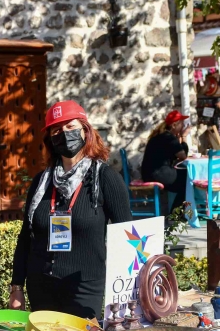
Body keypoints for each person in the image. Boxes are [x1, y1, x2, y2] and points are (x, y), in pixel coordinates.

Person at [8, 101, 132, 319]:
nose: (64, 134)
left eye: (70, 127)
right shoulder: (41, 182)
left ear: (85, 130)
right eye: (56, 130)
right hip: (41, 287)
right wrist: (16, 286)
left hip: (84, 288)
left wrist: (127, 292)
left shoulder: (105, 178)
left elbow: (128, 237)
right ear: (50, 139)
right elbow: (26, 237)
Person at [141, 109, 190, 199]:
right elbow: (183, 156)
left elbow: (179, 154)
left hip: (149, 173)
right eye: (182, 123)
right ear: (174, 125)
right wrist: (184, 136)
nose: (183, 126)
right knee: (189, 181)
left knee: (186, 179)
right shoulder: (169, 138)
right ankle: (176, 212)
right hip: (157, 173)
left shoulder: (162, 135)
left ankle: (176, 212)